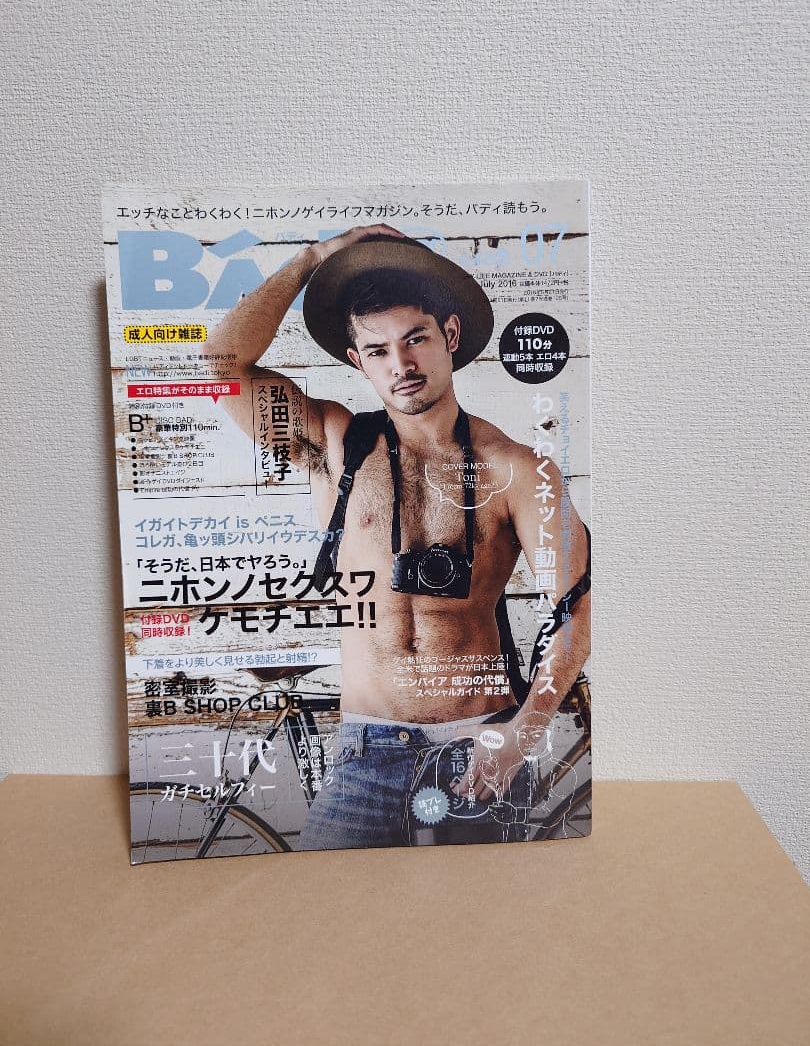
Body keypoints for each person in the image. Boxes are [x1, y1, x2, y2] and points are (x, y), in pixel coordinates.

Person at [201, 225, 590, 848]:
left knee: (489, 909)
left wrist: (522, 735)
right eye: (378, 350)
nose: (401, 366)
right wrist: (314, 257)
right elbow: (221, 365)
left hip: (479, 747)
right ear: (357, 360)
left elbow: (578, 608)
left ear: (450, 336)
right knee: (324, 901)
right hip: (367, 753)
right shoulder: (334, 445)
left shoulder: (516, 470)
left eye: (415, 340)